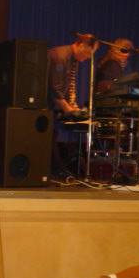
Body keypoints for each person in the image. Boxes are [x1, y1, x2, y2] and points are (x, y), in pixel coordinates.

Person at [48, 34, 99, 177]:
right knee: (48, 136)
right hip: (43, 103)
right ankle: (57, 171)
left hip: (51, 104)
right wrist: (69, 110)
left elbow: (67, 86)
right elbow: (54, 88)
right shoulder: (61, 56)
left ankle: (57, 171)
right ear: (81, 45)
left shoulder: (72, 59)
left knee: (50, 136)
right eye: (89, 53)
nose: (88, 57)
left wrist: (73, 107)